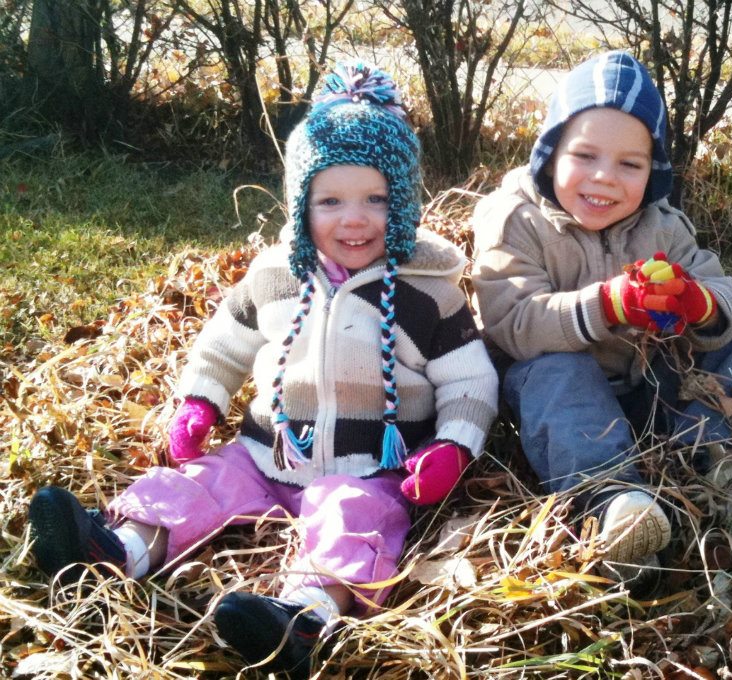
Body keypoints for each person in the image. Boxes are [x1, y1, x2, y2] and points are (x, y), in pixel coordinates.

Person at [28, 61, 499, 679]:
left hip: (370, 467)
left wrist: (452, 447)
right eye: (329, 201)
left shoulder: (429, 294)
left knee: (356, 522)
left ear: (405, 204)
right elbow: (223, 345)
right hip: (266, 451)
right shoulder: (275, 276)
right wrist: (201, 401)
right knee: (202, 482)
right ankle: (118, 548)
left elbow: (470, 382)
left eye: (376, 199)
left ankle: (305, 616)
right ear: (301, 205)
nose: (353, 218)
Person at [471, 51, 732, 584]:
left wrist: (696, 303)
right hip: (560, 398)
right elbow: (512, 321)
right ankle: (612, 503)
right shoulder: (516, 219)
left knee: (722, 349)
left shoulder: (663, 225)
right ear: (551, 154)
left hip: (641, 381)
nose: (605, 178)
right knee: (559, 372)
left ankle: (729, 466)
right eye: (585, 155)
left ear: (652, 172)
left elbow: (720, 289)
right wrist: (606, 305)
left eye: (630, 164)